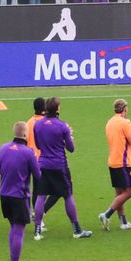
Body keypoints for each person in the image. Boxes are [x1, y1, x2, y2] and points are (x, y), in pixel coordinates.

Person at [32, 97, 92, 240]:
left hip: (43, 164)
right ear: (57, 109)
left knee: (41, 195)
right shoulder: (62, 126)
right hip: (59, 165)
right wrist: (67, 138)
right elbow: (71, 148)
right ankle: (77, 230)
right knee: (67, 195)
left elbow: (38, 145)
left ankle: (37, 231)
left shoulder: (38, 125)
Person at [0, 122, 41, 261]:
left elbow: (0, 170)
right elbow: (37, 175)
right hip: (19, 196)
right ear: (25, 134)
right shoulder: (29, 152)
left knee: (14, 228)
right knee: (19, 231)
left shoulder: (3, 148)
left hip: (4, 194)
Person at [98, 99, 131, 231]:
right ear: (125, 109)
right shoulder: (125, 122)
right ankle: (106, 214)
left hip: (112, 161)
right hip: (123, 163)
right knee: (129, 192)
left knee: (119, 194)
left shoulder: (110, 122)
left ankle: (123, 222)